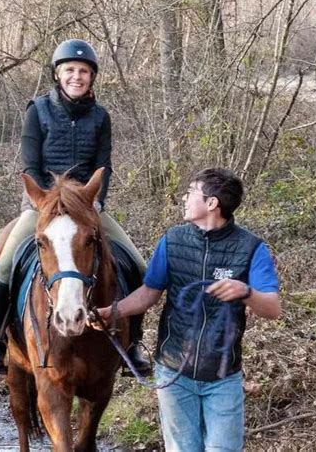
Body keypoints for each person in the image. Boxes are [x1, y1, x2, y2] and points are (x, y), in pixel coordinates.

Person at [0, 39, 150, 375]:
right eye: (70, 70)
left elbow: (105, 166)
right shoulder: (38, 111)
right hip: (42, 206)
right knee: (4, 266)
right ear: (58, 74)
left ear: (92, 77)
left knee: (139, 266)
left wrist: (95, 201)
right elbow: (30, 166)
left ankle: (134, 343)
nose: (77, 76)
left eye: (84, 71)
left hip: (86, 207)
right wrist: (46, 201)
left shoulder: (101, 117)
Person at [95, 167, 280, 451]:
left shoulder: (251, 248)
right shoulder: (172, 240)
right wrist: (113, 311)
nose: (183, 197)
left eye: (190, 192)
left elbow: (272, 308)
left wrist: (246, 292)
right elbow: (148, 293)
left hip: (223, 377)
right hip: (173, 372)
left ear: (211, 203)